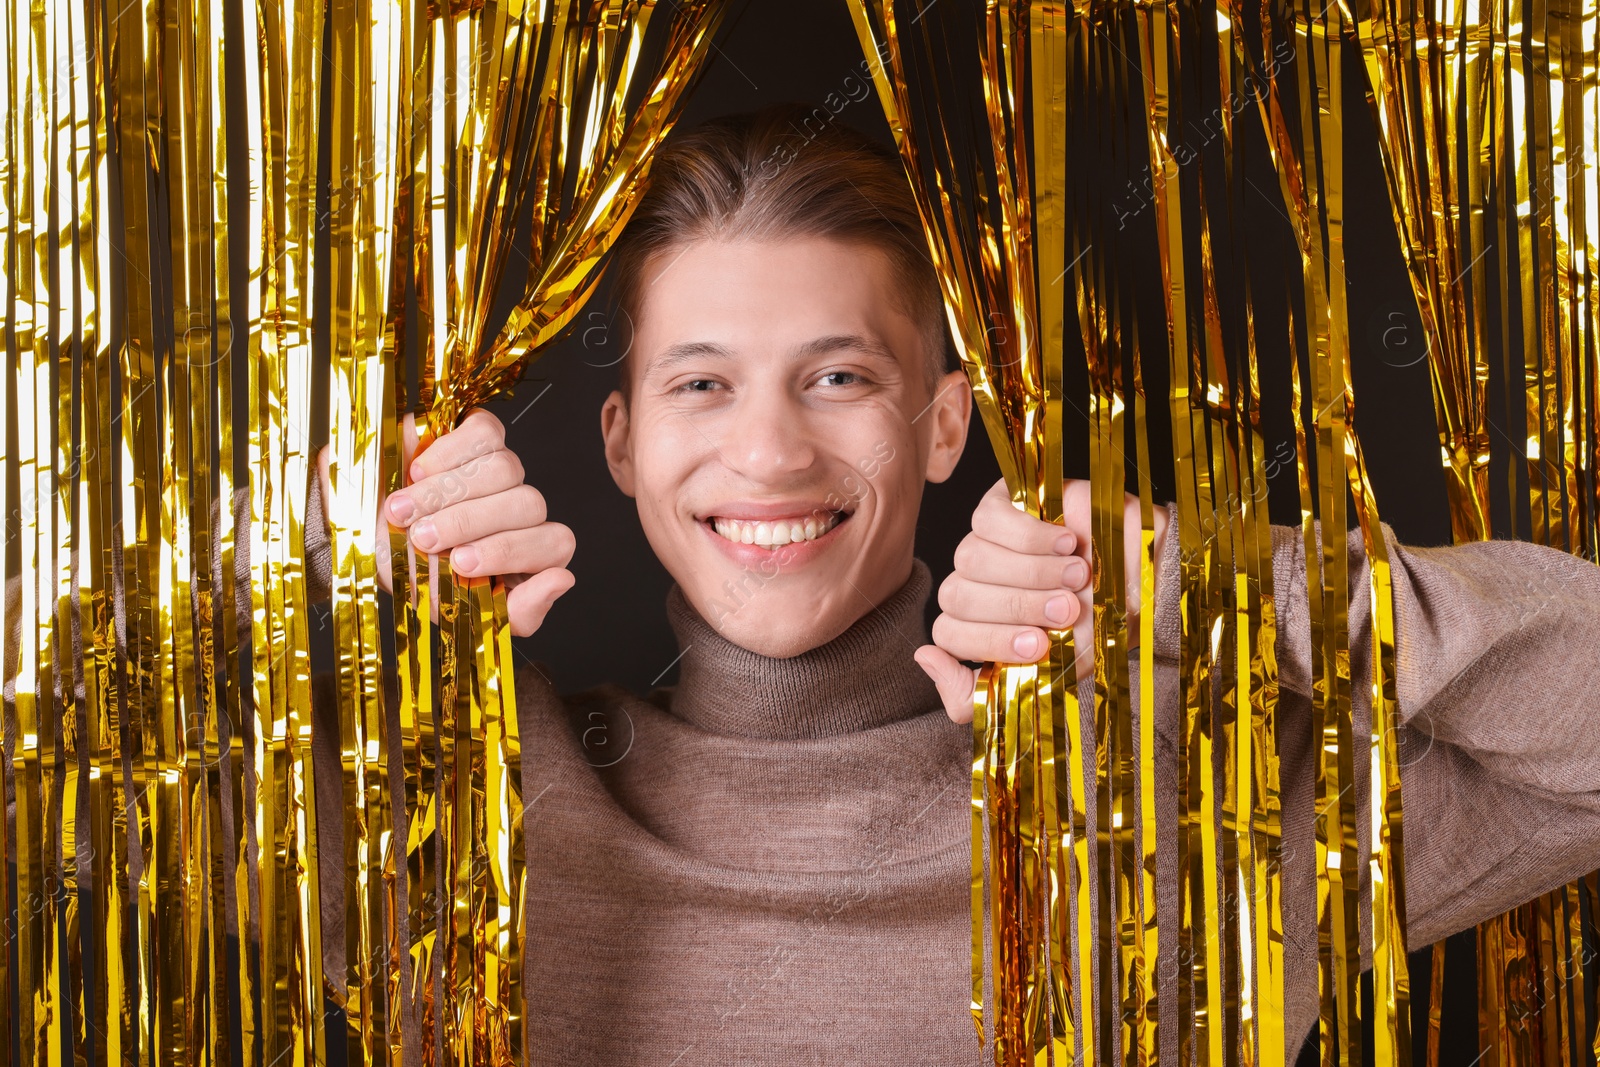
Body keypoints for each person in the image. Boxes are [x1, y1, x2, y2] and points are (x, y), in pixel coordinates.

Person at [313, 106, 1600, 1062]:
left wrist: (1209, 588)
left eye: (839, 376)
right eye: (700, 382)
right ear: (620, 442)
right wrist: (327, 590)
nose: (766, 451)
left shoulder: (1182, 787)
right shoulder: (444, 785)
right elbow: (114, 770)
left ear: (941, 426)